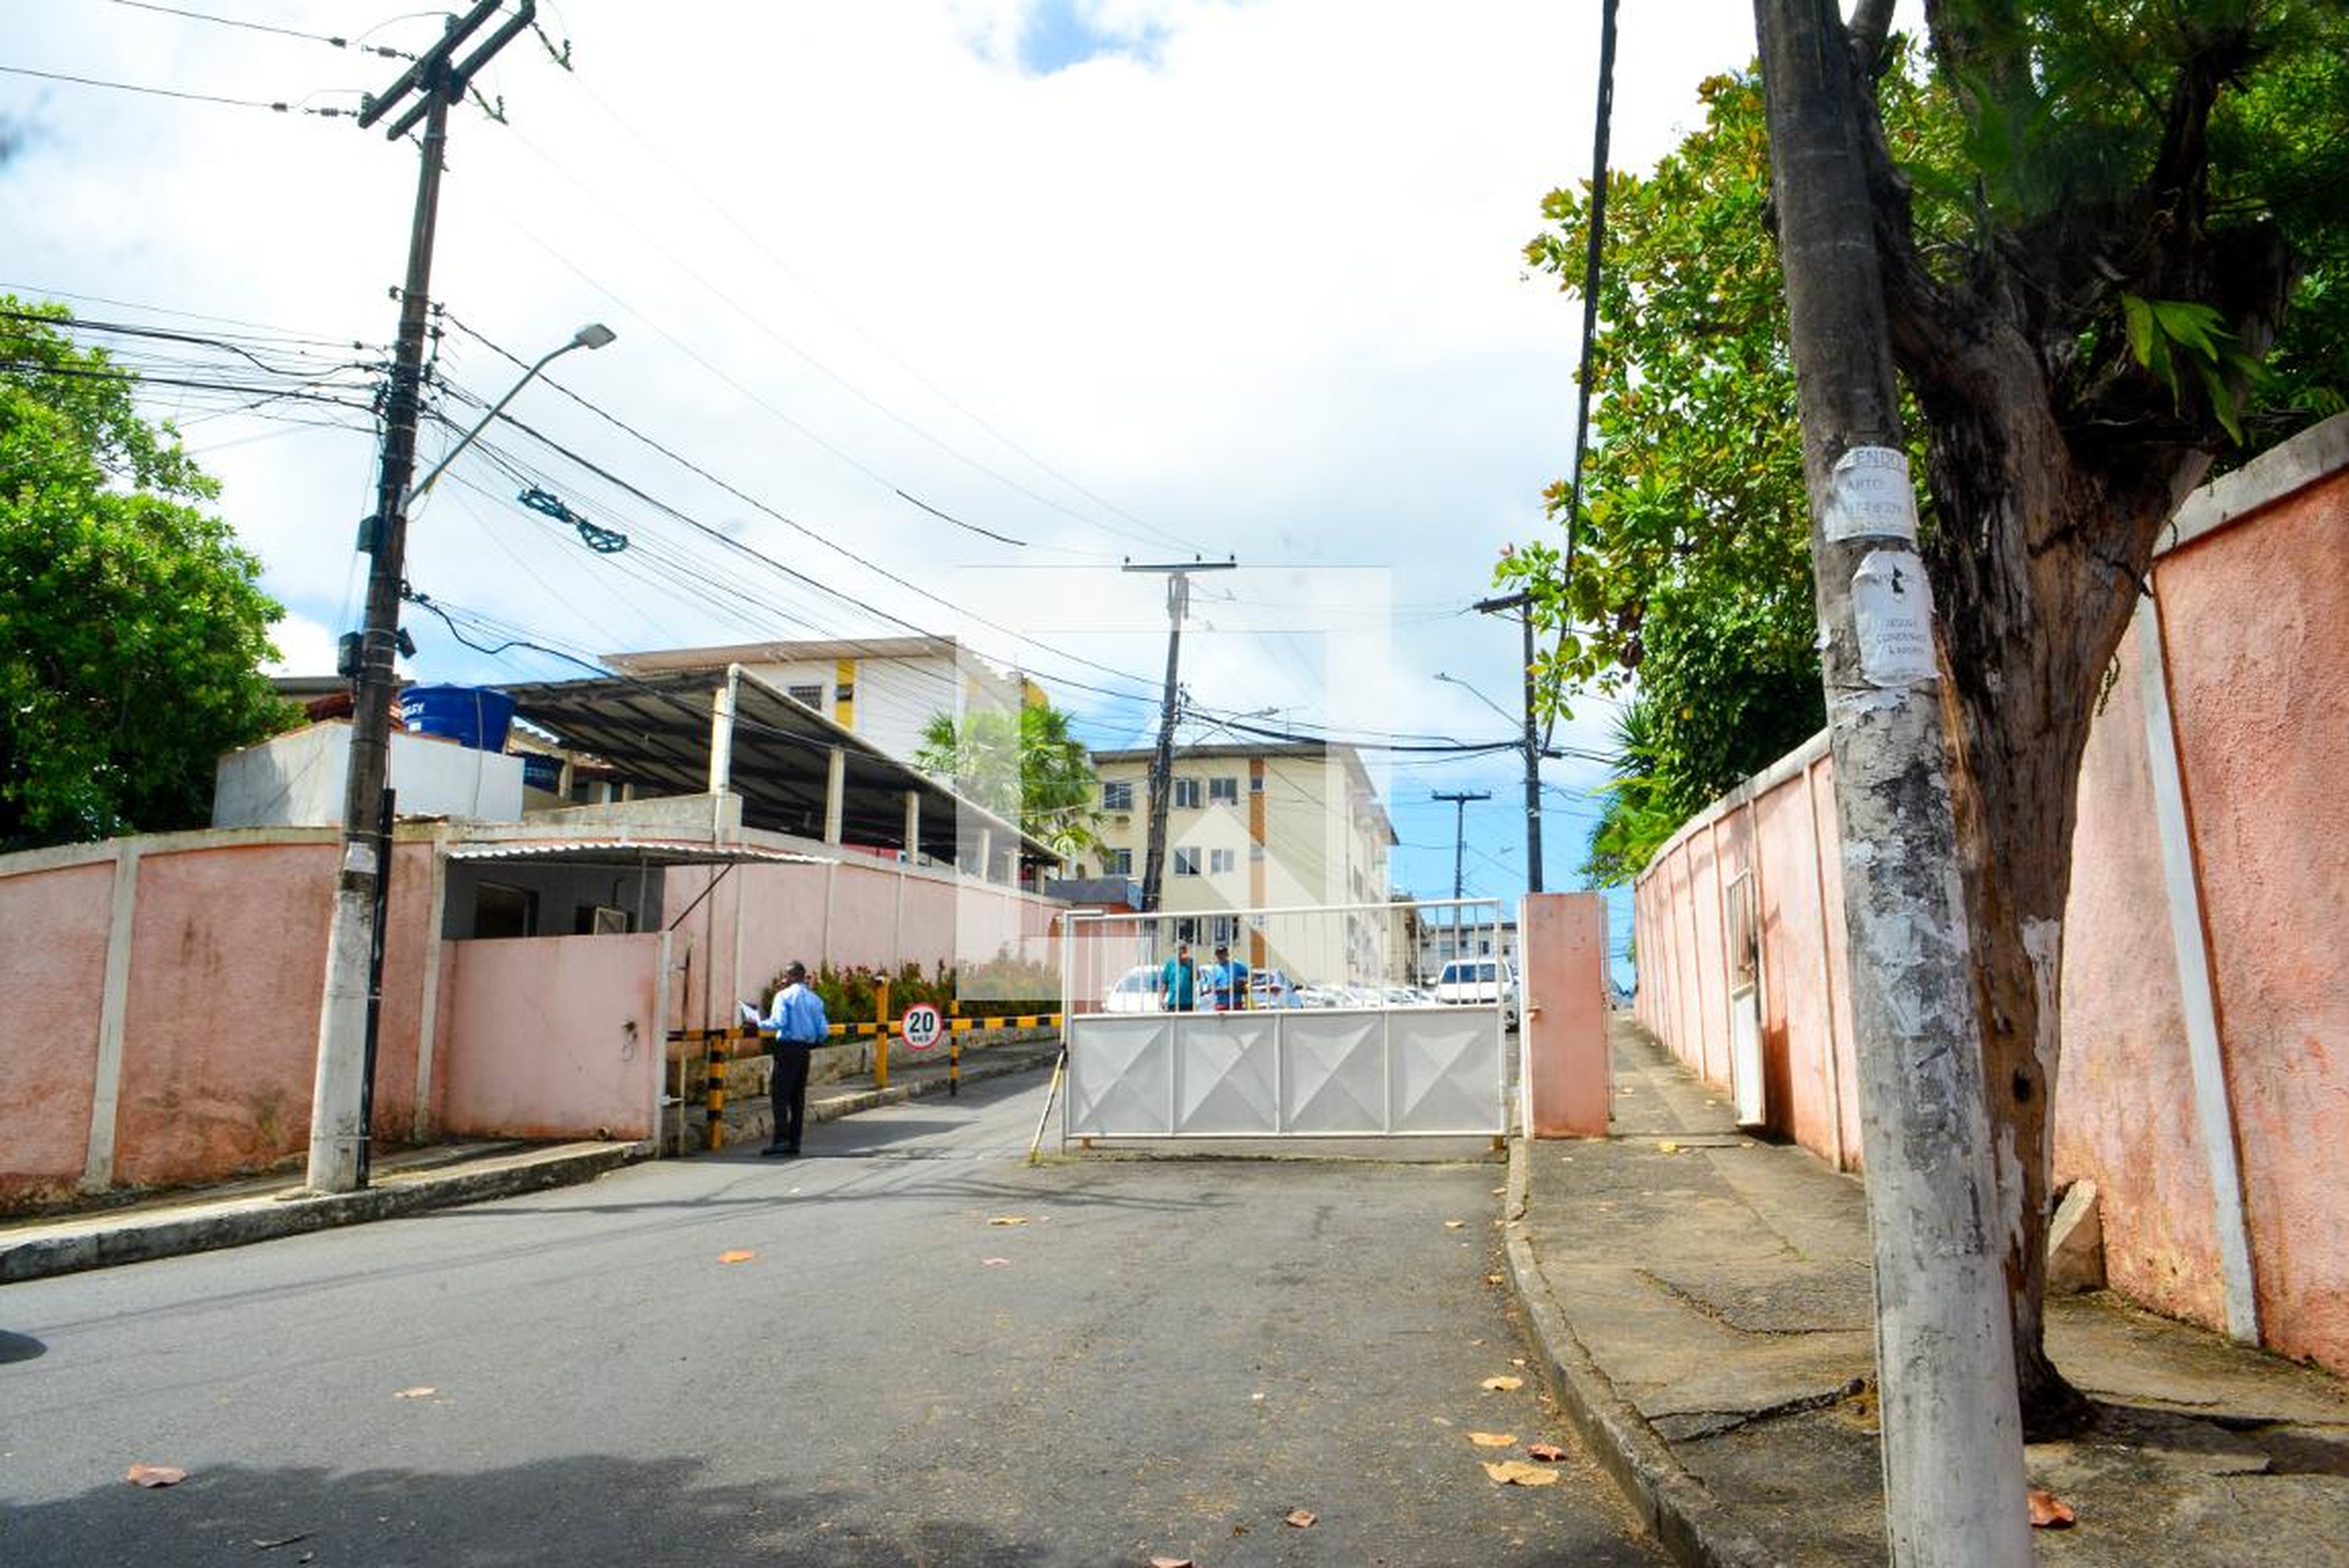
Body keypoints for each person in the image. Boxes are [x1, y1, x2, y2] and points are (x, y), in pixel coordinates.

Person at [759, 961, 829, 1157]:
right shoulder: (815, 1000)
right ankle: (794, 1142)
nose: (783, 980)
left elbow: (778, 1022)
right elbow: (823, 1031)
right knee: (798, 1098)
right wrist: (814, 1040)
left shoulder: (783, 996)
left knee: (780, 1095)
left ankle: (781, 1140)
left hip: (787, 1049)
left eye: (786, 976)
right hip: (804, 1051)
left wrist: (757, 1022)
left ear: (790, 977)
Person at [1209, 943, 1250, 1011]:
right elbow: (1211, 987)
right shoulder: (1214, 969)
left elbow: (1251, 976)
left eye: (1223, 954)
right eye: (1219, 954)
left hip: (1236, 1002)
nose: (1221, 956)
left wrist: (1241, 982)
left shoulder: (1236, 966)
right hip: (1221, 1003)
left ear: (1227, 955)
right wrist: (1222, 989)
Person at [1160, 942, 1198, 1012]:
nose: (1181, 952)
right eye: (1179, 949)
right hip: (1173, 1002)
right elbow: (1165, 983)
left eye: (1183, 949)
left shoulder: (1191, 962)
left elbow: (1198, 978)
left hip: (1188, 1002)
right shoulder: (1170, 964)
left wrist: (1191, 965)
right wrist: (1162, 999)